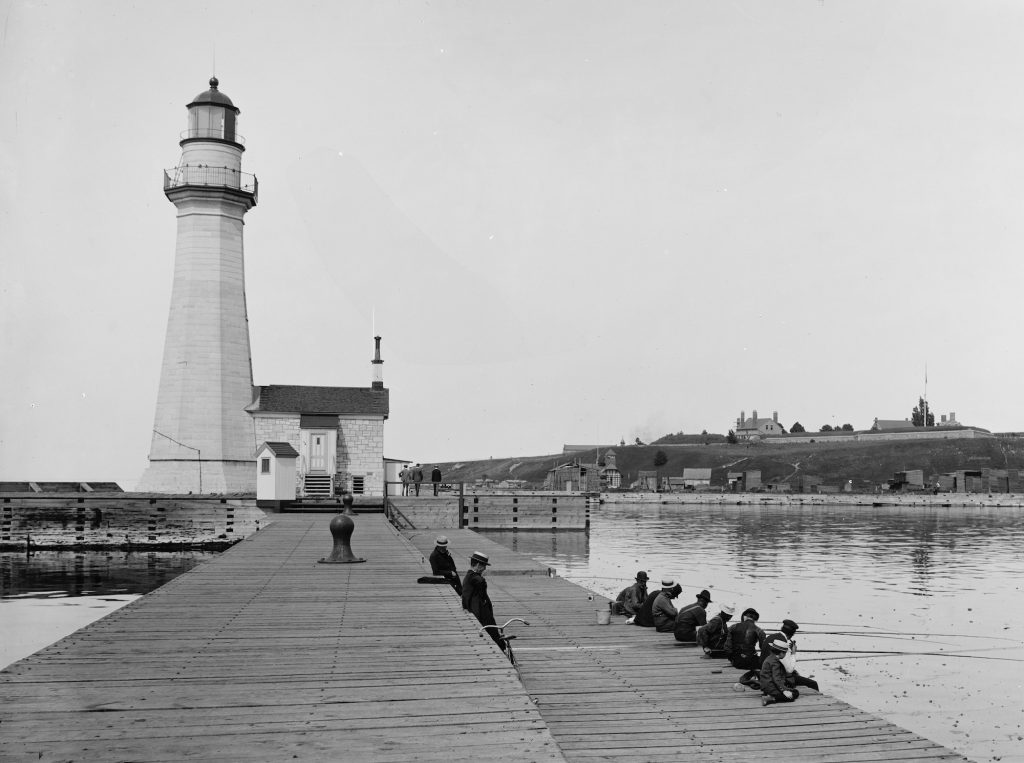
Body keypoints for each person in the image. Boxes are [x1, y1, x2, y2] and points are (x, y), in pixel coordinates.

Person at [462, 551, 504, 651]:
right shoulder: (476, 579)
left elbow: (466, 595)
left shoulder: (469, 576)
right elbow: (475, 590)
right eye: (483, 566)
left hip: (478, 609)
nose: (485, 568)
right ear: (477, 565)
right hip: (480, 612)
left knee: (494, 633)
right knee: (494, 634)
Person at [771, 619, 819, 692]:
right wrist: (793, 653)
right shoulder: (784, 643)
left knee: (796, 674)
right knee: (813, 684)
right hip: (777, 676)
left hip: (767, 671)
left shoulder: (771, 637)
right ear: (792, 634)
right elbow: (789, 670)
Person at [726, 607, 767, 689]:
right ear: (755, 619)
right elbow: (764, 648)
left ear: (744, 616)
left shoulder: (733, 627)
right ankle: (755, 676)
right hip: (751, 662)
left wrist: (731, 659)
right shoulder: (759, 630)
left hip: (736, 662)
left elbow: (727, 647)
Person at [759, 634, 799, 705]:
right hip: (770, 686)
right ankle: (771, 698)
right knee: (794, 694)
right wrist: (784, 690)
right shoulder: (775, 662)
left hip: (766, 685)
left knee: (794, 691)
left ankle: (771, 695)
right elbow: (776, 678)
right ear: (781, 653)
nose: (785, 655)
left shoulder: (770, 658)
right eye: (785, 653)